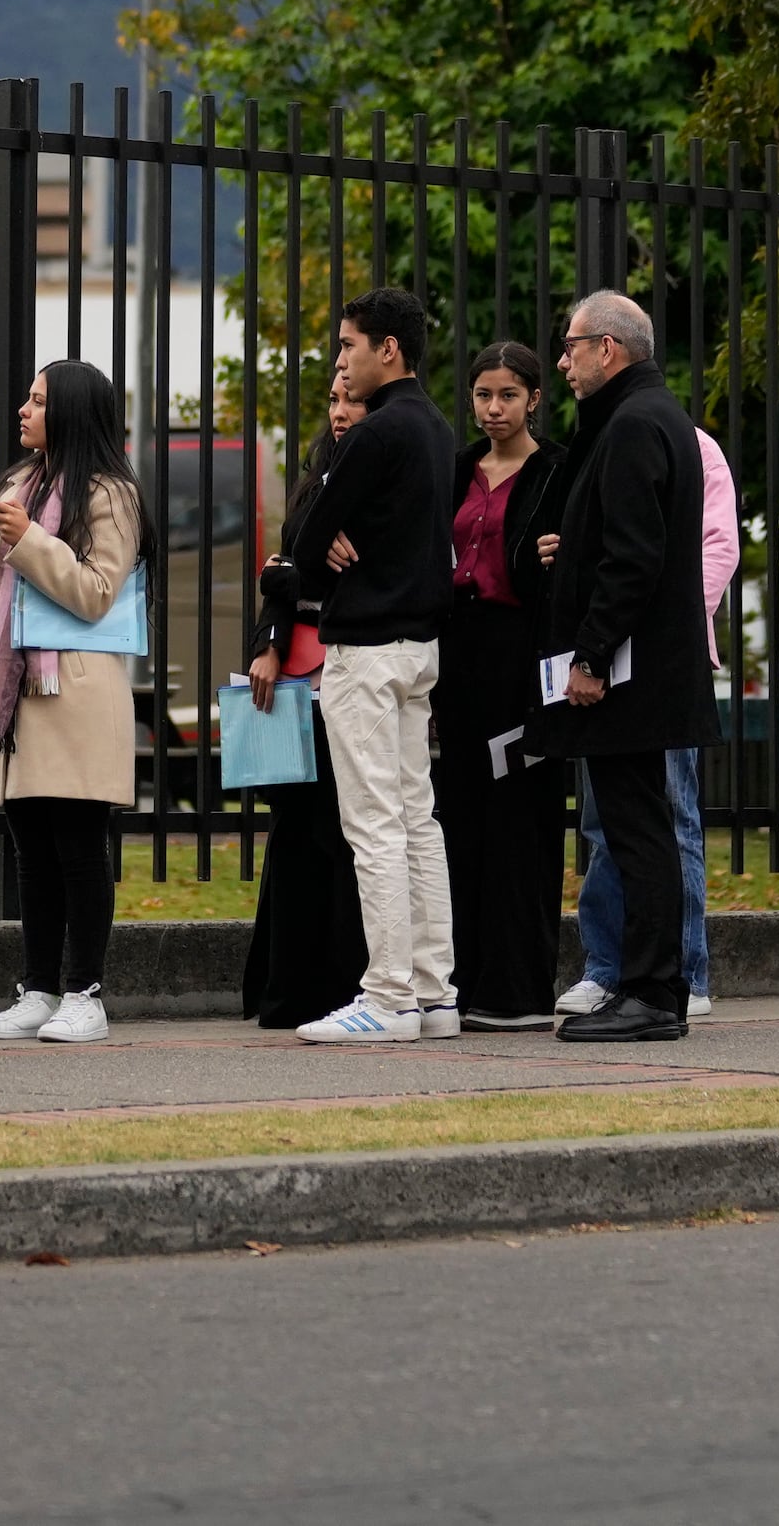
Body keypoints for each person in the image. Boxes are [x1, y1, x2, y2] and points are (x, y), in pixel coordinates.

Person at [0, 357, 150, 1044]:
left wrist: (27, 537)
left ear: (69, 412)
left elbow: (96, 593)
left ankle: (84, 993)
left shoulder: (111, 493)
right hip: (20, 686)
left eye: (37, 401)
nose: (24, 410)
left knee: (78, 847)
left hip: (76, 688)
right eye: (28, 398)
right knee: (30, 848)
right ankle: (36, 990)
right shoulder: (21, 483)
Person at [286, 286, 460, 1046]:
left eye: (348, 345)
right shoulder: (437, 428)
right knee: (417, 818)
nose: (341, 360)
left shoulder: (377, 432)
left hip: (365, 650)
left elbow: (305, 541)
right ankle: (434, 992)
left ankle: (388, 997)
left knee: (374, 825)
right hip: (419, 647)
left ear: (388, 349)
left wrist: (323, 539)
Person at [541, 291, 712, 1043]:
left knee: (637, 831)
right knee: (640, 828)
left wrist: (590, 655)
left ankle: (650, 990)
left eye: (571, 346)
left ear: (607, 348)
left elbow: (634, 557)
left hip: (630, 672)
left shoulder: (634, 422)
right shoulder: (648, 415)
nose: (563, 362)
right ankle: (654, 988)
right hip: (645, 667)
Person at [558, 401, 736, 1022]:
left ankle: (685, 971)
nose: (565, 364)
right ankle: (608, 968)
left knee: (671, 818)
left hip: (658, 664)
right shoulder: (604, 442)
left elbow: (717, 551)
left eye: (574, 353)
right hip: (608, 660)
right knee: (605, 824)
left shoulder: (692, 447)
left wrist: (666, 630)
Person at [436, 340, 572, 1028]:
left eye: (508, 395)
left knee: (522, 818)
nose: (494, 408)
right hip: (457, 654)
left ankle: (519, 989)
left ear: (534, 399)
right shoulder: (457, 468)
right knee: (460, 818)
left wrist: (561, 552)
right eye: (483, 395)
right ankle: (462, 982)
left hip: (523, 654)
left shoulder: (557, 471)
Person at [236, 391, 365, 1032]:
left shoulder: (388, 485)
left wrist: (287, 574)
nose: (339, 411)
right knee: (293, 832)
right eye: (334, 400)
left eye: (354, 401)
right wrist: (267, 645)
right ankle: (285, 990)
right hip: (294, 682)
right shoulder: (315, 486)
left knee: (341, 834)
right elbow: (279, 587)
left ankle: (343, 988)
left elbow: (316, 578)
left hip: (353, 675)